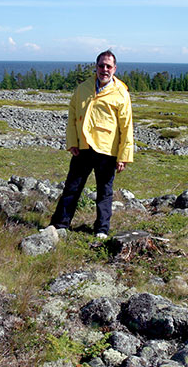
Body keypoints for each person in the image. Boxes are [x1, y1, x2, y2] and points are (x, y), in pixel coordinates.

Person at [50, 50, 134, 238]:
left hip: (107, 150)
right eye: (101, 65)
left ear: (115, 68)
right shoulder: (83, 88)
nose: (104, 69)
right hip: (83, 147)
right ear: (96, 67)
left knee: (105, 192)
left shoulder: (121, 92)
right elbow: (72, 114)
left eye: (108, 66)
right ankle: (60, 224)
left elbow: (127, 126)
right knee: (72, 188)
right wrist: (72, 142)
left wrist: (123, 156)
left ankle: (102, 229)